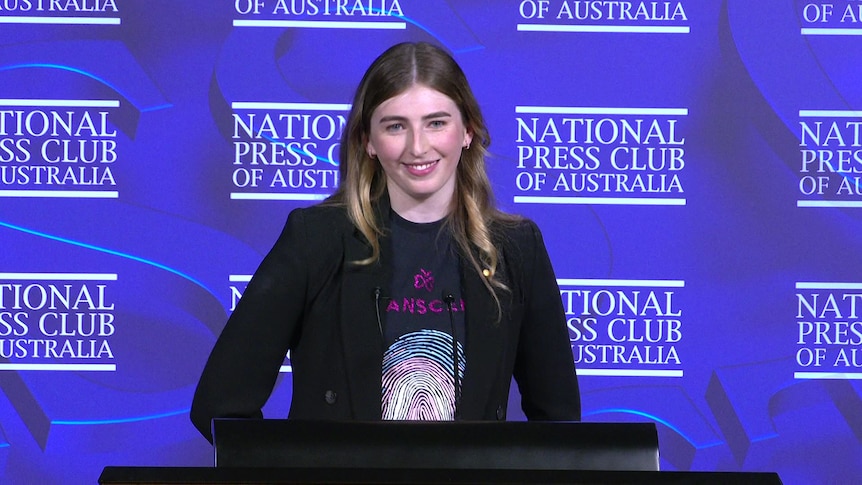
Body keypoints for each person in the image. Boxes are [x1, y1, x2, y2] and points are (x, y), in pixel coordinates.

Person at [190, 41, 580, 442]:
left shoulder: (516, 247)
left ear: (468, 131)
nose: (417, 146)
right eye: (395, 126)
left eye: (436, 122)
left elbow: (561, 424)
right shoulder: (317, 239)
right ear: (368, 141)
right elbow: (219, 406)